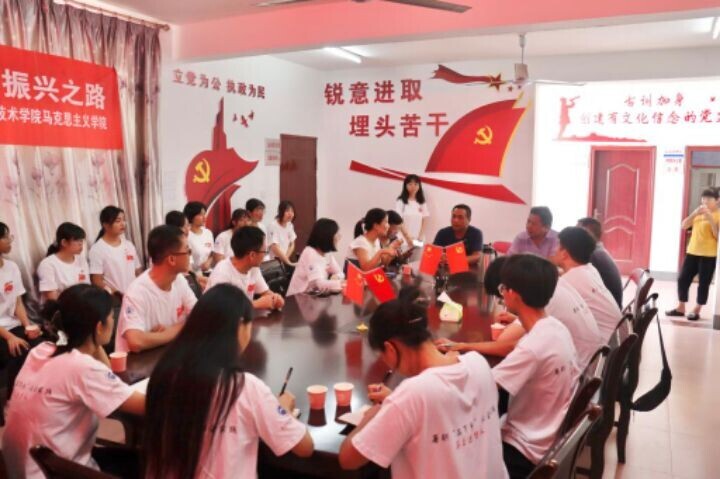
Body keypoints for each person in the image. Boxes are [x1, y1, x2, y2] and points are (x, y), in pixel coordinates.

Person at [143, 284, 313, 478]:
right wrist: (283, 409)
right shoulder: (244, 387)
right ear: (240, 326)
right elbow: (305, 447)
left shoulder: (164, 376)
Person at [338, 288, 508, 479]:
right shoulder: (478, 363)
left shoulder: (413, 394)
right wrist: (395, 401)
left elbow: (348, 459)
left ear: (390, 348)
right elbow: (446, 404)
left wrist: (370, 417)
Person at [3, 284, 145, 479]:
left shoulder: (40, 351)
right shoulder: (82, 368)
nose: (113, 321)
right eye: (111, 317)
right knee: (153, 462)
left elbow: (107, 376)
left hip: (22, 468)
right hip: (58, 471)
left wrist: (93, 341)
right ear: (99, 326)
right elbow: (146, 406)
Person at [490, 255, 578, 479]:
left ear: (513, 294)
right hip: (548, 435)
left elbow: (484, 385)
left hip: (526, 450)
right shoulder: (557, 328)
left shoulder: (532, 347)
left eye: (503, 289)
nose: (502, 294)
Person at [437, 256, 602, 368]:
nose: (502, 301)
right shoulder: (548, 288)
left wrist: (460, 350)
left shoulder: (534, 304)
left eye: (502, 293)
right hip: (585, 361)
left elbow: (505, 343)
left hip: (581, 365)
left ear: (511, 290)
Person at [115, 225, 198, 353]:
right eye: (188, 251)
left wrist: (165, 333)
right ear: (172, 259)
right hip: (138, 363)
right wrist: (179, 328)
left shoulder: (179, 280)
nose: (190, 256)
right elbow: (136, 341)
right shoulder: (137, 292)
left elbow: (200, 315)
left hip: (165, 354)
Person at [552, 227, 622, 343]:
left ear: (564, 254)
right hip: (617, 339)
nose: (553, 250)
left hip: (605, 346)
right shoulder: (590, 269)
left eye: (557, 245)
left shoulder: (567, 282)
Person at [0, 223, 43, 397]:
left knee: (41, 346)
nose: (10, 240)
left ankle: (37, 396)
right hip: (2, 331)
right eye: (5, 237)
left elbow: (17, 302)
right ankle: (14, 401)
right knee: (17, 351)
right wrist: (10, 337)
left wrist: (27, 326)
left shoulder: (11, 267)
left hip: (13, 325)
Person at [666, 188, 720, 321]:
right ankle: (681, 307)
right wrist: (695, 213)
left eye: (709, 199)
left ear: (717, 200)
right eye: (703, 198)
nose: (705, 201)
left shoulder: (718, 215)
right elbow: (684, 225)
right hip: (692, 252)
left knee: (703, 283)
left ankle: (697, 309)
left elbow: (717, 236)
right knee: (682, 279)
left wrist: (710, 219)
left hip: (709, 255)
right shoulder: (698, 213)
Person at [207, 226, 284, 310]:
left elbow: (266, 293)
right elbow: (223, 309)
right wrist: (256, 304)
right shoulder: (222, 272)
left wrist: (275, 299)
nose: (265, 255)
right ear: (252, 255)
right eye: (264, 252)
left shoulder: (253, 268)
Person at [89, 206, 142, 297]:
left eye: (123, 220)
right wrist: (116, 294)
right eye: (118, 221)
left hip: (134, 296)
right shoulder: (97, 249)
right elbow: (97, 280)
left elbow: (138, 270)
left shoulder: (128, 245)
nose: (123, 224)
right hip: (114, 299)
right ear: (105, 225)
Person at [287, 218, 344, 296]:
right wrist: (340, 283)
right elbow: (320, 284)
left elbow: (340, 273)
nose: (339, 237)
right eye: (337, 234)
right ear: (327, 236)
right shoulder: (310, 253)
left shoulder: (327, 254)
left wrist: (337, 276)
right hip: (297, 298)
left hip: (314, 296)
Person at [37, 222, 90, 302]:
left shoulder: (81, 260)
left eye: (82, 240)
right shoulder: (47, 264)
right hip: (59, 307)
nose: (81, 244)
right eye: (77, 240)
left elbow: (87, 288)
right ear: (64, 242)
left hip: (81, 304)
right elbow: (53, 299)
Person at [577, 217, 623, 309]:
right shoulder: (598, 251)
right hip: (611, 305)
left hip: (605, 309)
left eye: (576, 233)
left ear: (586, 234)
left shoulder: (592, 255)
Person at [166, 210, 207, 293]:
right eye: (187, 225)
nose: (189, 228)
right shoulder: (169, 248)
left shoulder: (184, 243)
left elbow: (190, 271)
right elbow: (187, 273)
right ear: (180, 229)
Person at [394, 174, 430, 241]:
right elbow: (398, 221)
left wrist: (420, 236)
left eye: (416, 184)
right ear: (405, 186)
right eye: (410, 184)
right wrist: (408, 237)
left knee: (418, 248)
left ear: (419, 186)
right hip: (403, 238)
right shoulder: (401, 201)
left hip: (418, 238)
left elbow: (425, 219)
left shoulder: (421, 202)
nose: (413, 186)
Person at [184, 201, 214, 273]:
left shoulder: (208, 232)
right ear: (191, 216)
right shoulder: (186, 236)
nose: (204, 217)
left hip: (209, 272)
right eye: (200, 215)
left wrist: (208, 262)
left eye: (204, 214)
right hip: (194, 274)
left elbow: (212, 252)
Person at [268, 200, 297, 267]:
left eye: (292, 211)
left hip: (286, 259)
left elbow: (292, 243)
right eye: (287, 211)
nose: (290, 214)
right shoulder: (273, 226)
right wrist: (287, 261)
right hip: (275, 262)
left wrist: (286, 258)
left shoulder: (290, 225)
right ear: (281, 212)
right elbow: (274, 247)